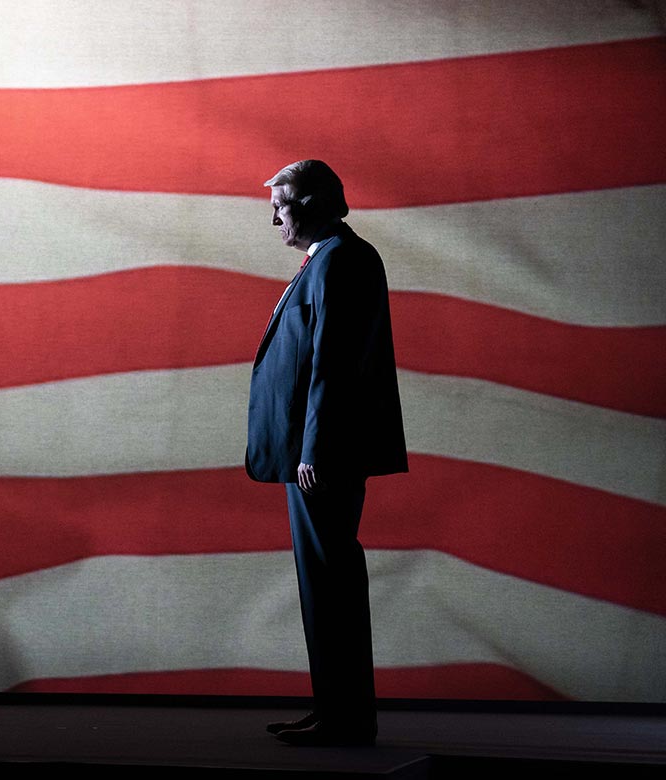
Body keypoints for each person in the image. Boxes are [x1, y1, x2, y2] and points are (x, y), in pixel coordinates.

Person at [245, 160, 407, 747]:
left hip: (322, 458)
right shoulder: (330, 259)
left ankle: (344, 718)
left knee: (329, 584)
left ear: (313, 203)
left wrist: (314, 448)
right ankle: (335, 711)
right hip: (314, 454)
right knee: (323, 585)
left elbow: (333, 366)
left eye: (281, 207)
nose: (274, 220)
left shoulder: (340, 259)